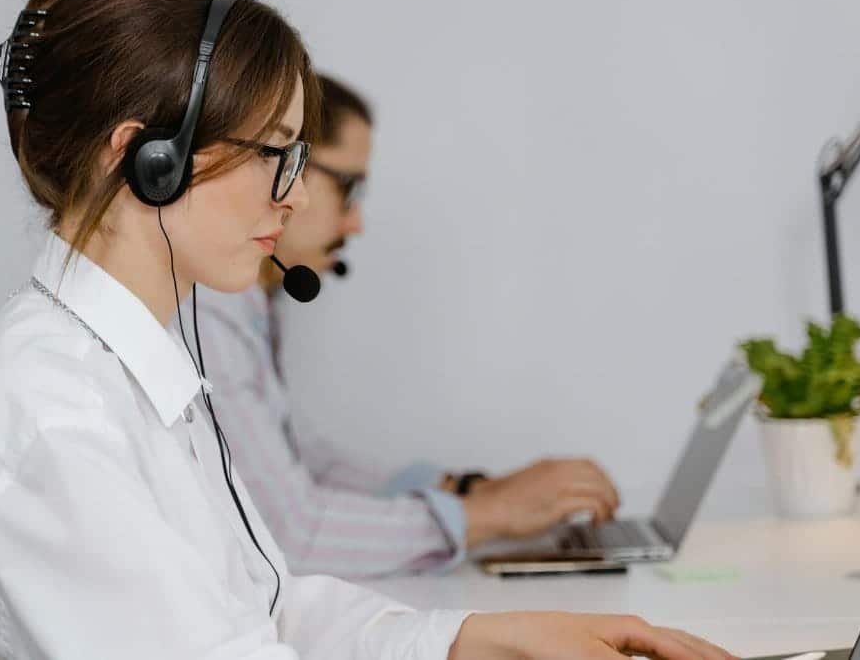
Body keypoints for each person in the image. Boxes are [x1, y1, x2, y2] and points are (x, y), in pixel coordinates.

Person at [0, 0, 733, 658]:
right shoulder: (56, 414)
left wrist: (484, 637)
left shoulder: (135, 364)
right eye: (275, 154)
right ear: (145, 161)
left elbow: (268, 606)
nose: (293, 196)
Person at [190, 74, 622, 577]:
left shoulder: (248, 305)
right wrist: (487, 514)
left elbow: (303, 461)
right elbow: (291, 535)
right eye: (347, 188)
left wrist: (464, 491)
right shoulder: (205, 311)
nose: (355, 223)